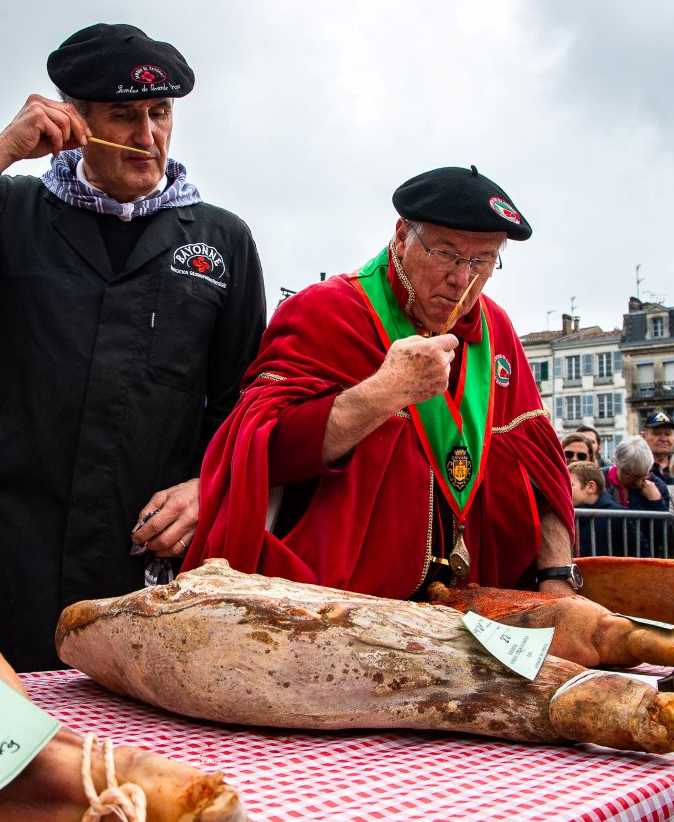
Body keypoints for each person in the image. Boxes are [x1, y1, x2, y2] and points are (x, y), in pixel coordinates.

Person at [0, 23, 267, 671]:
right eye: (123, 116)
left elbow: (243, 400)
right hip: (2, 555)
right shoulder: (12, 209)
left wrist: (207, 485)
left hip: (135, 562)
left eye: (160, 113)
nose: (147, 136)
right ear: (75, 119)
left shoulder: (221, 240)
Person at [185, 167, 577, 599]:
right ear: (402, 236)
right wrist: (383, 393)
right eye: (446, 253)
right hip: (341, 607)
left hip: (474, 606)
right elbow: (262, 452)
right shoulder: (325, 311)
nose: (462, 280)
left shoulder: (496, 329)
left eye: (481, 261)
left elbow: (543, 474)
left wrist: (557, 575)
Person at [602, 436, 671, 556]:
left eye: (645, 475)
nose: (640, 482)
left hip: (643, 558)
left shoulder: (657, 486)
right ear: (619, 466)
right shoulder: (600, 479)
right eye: (635, 477)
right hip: (607, 554)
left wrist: (656, 502)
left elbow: (665, 536)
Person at [569, 460, 625, 557]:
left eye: (570, 485)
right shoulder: (574, 516)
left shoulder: (620, 517)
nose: (565, 490)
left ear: (591, 487)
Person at [640, 410, 674, 485]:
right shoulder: (635, 468)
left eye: (668, 434)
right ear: (643, 437)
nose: (663, 439)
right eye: (657, 434)